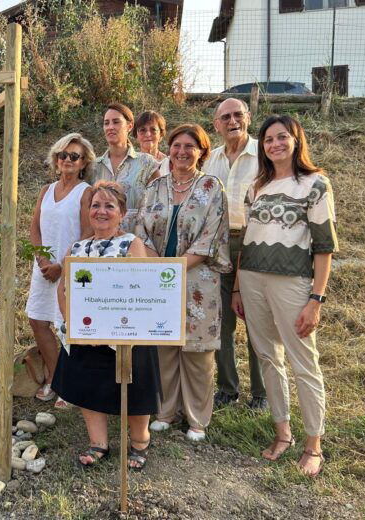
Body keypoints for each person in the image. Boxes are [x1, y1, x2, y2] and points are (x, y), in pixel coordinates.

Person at [232, 115, 338, 477]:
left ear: (296, 140)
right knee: (267, 356)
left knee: (303, 360)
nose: (274, 144)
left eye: (282, 137)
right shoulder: (256, 186)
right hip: (251, 279)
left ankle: (314, 444)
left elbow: (324, 248)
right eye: (268, 139)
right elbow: (247, 239)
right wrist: (236, 287)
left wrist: (316, 299)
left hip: (292, 282)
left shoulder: (315, 184)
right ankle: (283, 434)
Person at [52, 181, 161, 469]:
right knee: (88, 383)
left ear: (122, 213)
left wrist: (113, 327)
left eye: (109, 206)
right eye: (95, 205)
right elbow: (63, 289)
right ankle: (98, 442)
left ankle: (140, 441)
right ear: (88, 211)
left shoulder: (132, 244)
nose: (101, 211)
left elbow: (140, 289)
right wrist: (73, 324)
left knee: (135, 385)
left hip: (124, 333)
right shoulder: (77, 247)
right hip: (85, 333)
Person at [135, 124, 230, 442]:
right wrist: (157, 266)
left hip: (197, 280)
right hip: (158, 277)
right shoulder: (155, 187)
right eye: (177, 145)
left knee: (196, 352)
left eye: (190, 146)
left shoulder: (211, 187)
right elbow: (142, 230)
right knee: (163, 346)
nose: (181, 151)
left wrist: (174, 269)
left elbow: (211, 236)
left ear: (202, 152)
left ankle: (197, 418)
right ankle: (165, 411)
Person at [202, 98, 267, 410]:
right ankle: (227, 389)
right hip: (218, 244)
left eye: (238, 115)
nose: (232, 121)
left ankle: (261, 393)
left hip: (254, 244)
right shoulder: (210, 161)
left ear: (249, 117)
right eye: (225, 117)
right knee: (221, 321)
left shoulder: (264, 155)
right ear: (216, 125)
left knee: (256, 321)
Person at [26, 133, 94, 409]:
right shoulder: (46, 190)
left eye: (74, 156)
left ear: (83, 162)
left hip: (71, 269)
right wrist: (42, 261)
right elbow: (35, 228)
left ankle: (71, 385)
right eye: (62, 155)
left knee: (68, 327)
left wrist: (62, 267)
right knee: (38, 320)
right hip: (43, 268)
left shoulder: (85, 192)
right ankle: (55, 377)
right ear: (55, 159)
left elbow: (88, 234)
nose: (67, 160)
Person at [94, 103, 160, 233]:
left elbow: (158, 205)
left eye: (116, 122)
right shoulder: (94, 166)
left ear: (129, 126)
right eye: (106, 123)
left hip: (136, 242)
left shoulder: (147, 163)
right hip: (100, 242)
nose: (110, 127)